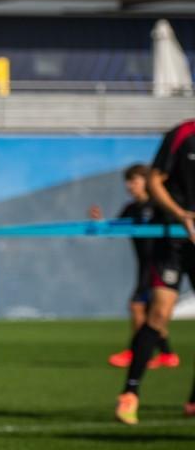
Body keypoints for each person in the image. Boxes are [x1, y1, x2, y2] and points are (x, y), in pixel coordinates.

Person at [117, 120, 195, 424]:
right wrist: (181, 215)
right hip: (175, 238)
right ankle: (129, 394)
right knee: (158, 314)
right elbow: (154, 181)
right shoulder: (182, 134)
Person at [91, 164, 178, 369]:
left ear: (147, 183)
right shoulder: (131, 209)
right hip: (143, 266)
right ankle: (167, 354)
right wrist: (100, 223)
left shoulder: (159, 206)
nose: (131, 186)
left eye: (135, 181)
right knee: (152, 314)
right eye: (128, 182)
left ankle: (138, 352)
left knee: (138, 306)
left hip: (160, 265)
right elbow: (114, 231)